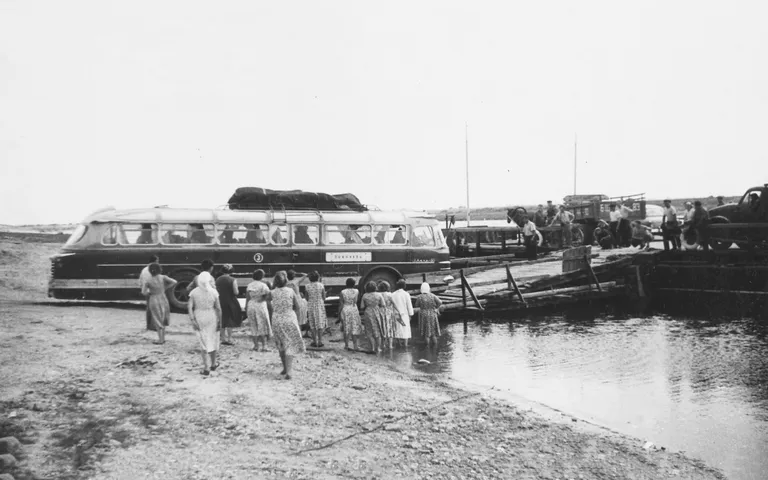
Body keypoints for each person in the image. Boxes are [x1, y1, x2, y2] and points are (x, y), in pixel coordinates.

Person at [268, 270, 306, 379]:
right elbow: (298, 306)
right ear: (286, 280)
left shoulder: (272, 292)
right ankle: (289, 371)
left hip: (276, 320)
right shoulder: (290, 291)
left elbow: (267, 302)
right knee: (290, 344)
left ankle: (284, 368)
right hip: (289, 318)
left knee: (281, 345)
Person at [188, 271, 222, 376]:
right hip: (211, 315)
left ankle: (206, 367)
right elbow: (218, 308)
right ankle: (213, 363)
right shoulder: (214, 292)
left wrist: (192, 320)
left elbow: (189, 307)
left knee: (203, 342)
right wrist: (220, 321)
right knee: (212, 339)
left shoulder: (193, 292)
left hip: (199, 316)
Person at [141, 262, 177, 344]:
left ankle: (160, 339)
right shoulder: (163, 277)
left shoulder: (148, 280)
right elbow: (174, 281)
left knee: (157, 319)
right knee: (163, 317)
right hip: (163, 297)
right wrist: (165, 288)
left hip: (154, 298)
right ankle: (163, 338)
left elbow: (144, 292)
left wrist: (150, 292)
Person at [215, 264, 242, 346]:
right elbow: (235, 292)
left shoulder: (218, 279)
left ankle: (223, 338)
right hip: (230, 301)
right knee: (230, 320)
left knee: (222, 319)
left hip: (220, 300)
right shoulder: (233, 279)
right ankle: (229, 338)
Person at [246, 269, 272, 351]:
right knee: (262, 324)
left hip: (251, 304)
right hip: (260, 305)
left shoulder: (249, 285)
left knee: (253, 325)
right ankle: (264, 346)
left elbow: (247, 297)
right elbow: (269, 296)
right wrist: (262, 298)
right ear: (262, 276)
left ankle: (256, 346)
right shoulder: (263, 285)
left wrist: (247, 307)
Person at [360, 281, 385, 353]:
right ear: (375, 287)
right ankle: (378, 348)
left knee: (369, 331)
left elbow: (362, 306)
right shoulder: (379, 295)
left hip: (368, 312)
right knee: (378, 330)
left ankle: (372, 348)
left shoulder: (365, 295)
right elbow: (383, 305)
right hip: (377, 312)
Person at [338, 278, 362, 350]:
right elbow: (355, 301)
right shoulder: (356, 291)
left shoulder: (342, 292)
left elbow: (341, 304)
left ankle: (346, 345)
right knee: (354, 327)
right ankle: (355, 346)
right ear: (354, 284)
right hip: (354, 309)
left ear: (346, 284)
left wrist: (339, 313)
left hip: (345, 309)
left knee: (346, 327)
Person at [415, 283, 442, 347]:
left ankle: (427, 349)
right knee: (433, 333)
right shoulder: (432, 295)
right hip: (432, 314)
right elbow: (440, 302)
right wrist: (436, 308)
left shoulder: (419, 297)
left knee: (426, 333)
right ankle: (435, 348)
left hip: (424, 315)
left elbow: (416, 305)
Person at [305, 271, 327, 347]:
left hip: (311, 305)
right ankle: (320, 341)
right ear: (318, 277)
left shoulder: (307, 286)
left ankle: (314, 341)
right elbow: (324, 297)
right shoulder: (321, 285)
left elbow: (307, 298)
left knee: (312, 324)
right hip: (319, 305)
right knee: (320, 323)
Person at [139, 255, 160, 330]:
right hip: (152, 291)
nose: (158, 262)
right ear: (155, 261)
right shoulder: (154, 269)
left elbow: (140, 280)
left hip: (146, 290)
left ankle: (148, 325)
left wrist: (143, 289)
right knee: (154, 308)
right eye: (157, 261)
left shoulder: (144, 269)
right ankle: (153, 326)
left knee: (148, 308)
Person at [391, 279, 413, 348]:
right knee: (405, 329)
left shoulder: (393, 294)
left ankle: (399, 344)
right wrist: (411, 314)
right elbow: (409, 305)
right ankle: (405, 344)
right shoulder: (406, 294)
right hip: (404, 315)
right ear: (404, 286)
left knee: (397, 328)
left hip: (396, 314)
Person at [286, 270, 309, 337]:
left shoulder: (286, 283)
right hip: (297, 299)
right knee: (299, 317)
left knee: (290, 316)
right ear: (294, 276)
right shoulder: (296, 281)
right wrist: (298, 273)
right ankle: (299, 333)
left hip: (290, 299)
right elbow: (305, 274)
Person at [377, 281, 397, 350]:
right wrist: (398, 311)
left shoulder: (378, 294)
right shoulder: (390, 295)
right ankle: (390, 345)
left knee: (382, 328)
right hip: (389, 312)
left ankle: (383, 345)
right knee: (390, 328)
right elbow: (394, 304)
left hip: (381, 312)